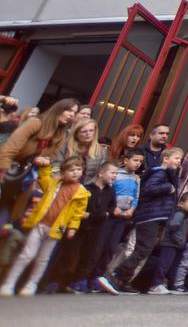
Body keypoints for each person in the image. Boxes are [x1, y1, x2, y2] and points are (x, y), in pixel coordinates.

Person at [0, 155, 88, 296]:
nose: (76, 172)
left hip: (56, 230)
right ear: (63, 172)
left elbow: (78, 213)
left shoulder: (82, 192)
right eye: (71, 170)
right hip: (40, 225)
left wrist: (73, 227)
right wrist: (46, 166)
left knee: (43, 259)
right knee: (26, 255)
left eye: (79, 169)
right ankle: (9, 283)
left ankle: (31, 285)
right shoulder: (54, 183)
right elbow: (44, 176)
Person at [111, 145, 183, 293]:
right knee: (142, 249)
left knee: (144, 250)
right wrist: (167, 188)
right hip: (150, 217)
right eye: (176, 158)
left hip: (157, 216)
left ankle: (123, 280)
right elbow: (149, 189)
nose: (178, 162)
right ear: (166, 159)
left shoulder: (167, 174)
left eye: (180, 159)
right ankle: (119, 274)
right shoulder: (160, 173)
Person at [0, 98, 77, 231]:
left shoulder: (60, 134)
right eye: (69, 110)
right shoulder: (35, 122)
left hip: (25, 179)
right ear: (58, 109)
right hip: (8, 171)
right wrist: (3, 174)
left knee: (9, 218)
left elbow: (50, 159)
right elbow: (8, 150)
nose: (72, 115)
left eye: (74, 112)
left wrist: (44, 161)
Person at [62, 159, 118, 293]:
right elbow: (81, 209)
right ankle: (60, 280)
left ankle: (79, 281)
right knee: (71, 253)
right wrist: (97, 214)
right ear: (101, 173)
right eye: (112, 173)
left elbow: (111, 208)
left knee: (90, 255)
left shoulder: (111, 192)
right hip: (81, 226)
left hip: (98, 228)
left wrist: (100, 214)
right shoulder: (87, 188)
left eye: (116, 174)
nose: (115, 176)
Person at [97, 148, 143, 292]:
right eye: (135, 160)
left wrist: (132, 209)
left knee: (112, 247)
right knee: (101, 245)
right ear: (125, 160)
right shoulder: (117, 175)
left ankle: (102, 277)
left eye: (141, 161)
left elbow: (136, 197)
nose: (138, 164)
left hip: (124, 218)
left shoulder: (136, 179)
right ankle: (92, 276)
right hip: (111, 215)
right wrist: (113, 208)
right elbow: (109, 191)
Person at [151, 192, 188, 294]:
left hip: (176, 245)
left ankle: (167, 284)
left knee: (172, 265)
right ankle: (156, 284)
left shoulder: (185, 214)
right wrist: (179, 240)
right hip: (170, 244)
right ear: (180, 204)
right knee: (165, 264)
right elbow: (173, 226)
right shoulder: (179, 213)